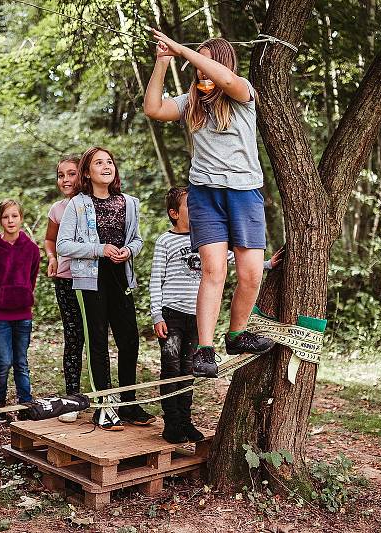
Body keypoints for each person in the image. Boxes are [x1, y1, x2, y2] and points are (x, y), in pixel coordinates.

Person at [144, 31, 275, 378]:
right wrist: (163, 61)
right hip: (205, 194)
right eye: (197, 68)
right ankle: (205, 349)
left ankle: (237, 334)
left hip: (244, 192)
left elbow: (226, 78)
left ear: (220, 63)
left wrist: (182, 48)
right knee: (213, 270)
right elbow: (153, 108)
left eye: (206, 65)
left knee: (250, 273)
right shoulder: (191, 104)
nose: (201, 74)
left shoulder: (242, 93)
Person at [150, 187, 281, 443]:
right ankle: (172, 424)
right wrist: (157, 315)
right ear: (174, 213)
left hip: (198, 318)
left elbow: (234, 258)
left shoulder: (207, 240)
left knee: (189, 369)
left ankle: (186, 421)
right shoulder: (165, 242)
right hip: (172, 316)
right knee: (171, 368)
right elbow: (156, 280)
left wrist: (265, 265)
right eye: (191, 207)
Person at [56, 146, 155, 430]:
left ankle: (129, 405)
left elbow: (137, 240)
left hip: (120, 278)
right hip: (90, 281)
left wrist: (128, 251)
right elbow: (63, 245)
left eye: (109, 161)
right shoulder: (77, 204)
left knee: (130, 340)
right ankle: (104, 408)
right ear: (87, 172)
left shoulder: (130, 203)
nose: (106, 166)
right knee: (98, 342)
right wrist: (100, 249)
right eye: (98, 163)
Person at [0, 199, 40, 423]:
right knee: (4, 361)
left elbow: (31, 278)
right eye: (6, 217)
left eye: (14, 216)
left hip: (22, 314)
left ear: (21, 218)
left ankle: (25, 405)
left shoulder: (31, 249)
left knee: (21, 362)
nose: (10, 220)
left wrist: (21, 296)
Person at [44, 156, 85, 423]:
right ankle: (72, 399)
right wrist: (52, 257)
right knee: (73, 339)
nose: (66, 180)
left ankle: (104, 398)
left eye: (71, 174)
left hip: (93, 281)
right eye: (61, 175)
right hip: (66, 280)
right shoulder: (57, 209)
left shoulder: (93, 205)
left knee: (94, 338)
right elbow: (49, 239)